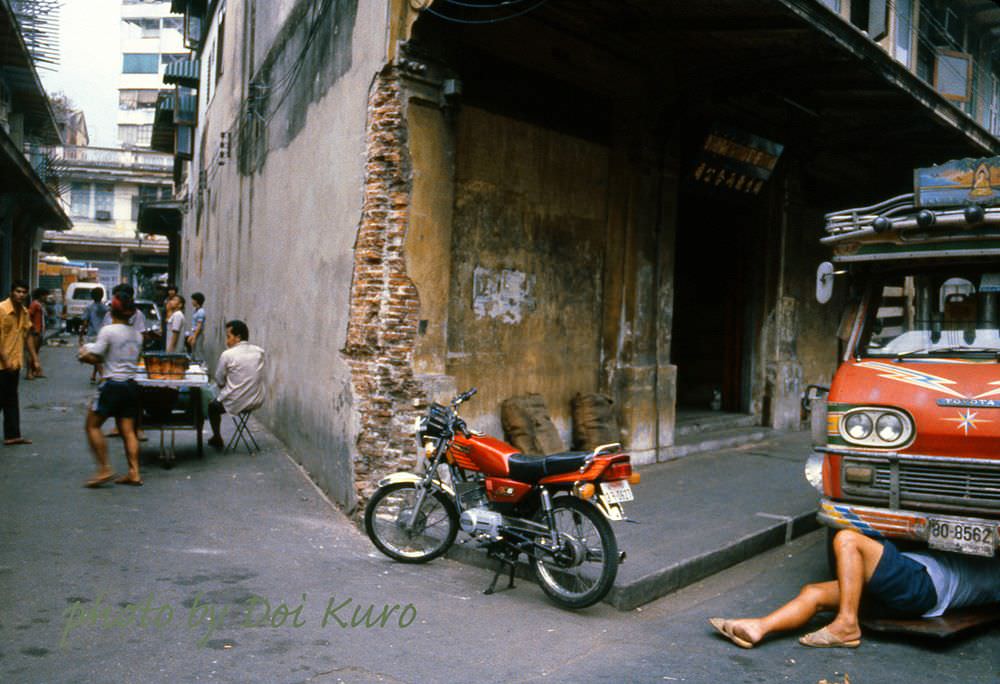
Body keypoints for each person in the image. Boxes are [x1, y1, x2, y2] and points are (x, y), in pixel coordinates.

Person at [710, 528, 1000, 649]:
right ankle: (760, 627)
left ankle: (847, 624)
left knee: (848, 539)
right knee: (815, 592)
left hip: (922, 583)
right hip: (914, 596)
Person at [78, 292, 144, 487]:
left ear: (111, 310)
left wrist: (83, 354)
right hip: (131, 385)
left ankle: (105, 467)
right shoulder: (138, 335)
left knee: (92, 425)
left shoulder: (108, 331)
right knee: (128, 431)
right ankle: (134, 472)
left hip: (112, 384)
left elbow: (96, 354)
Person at [207, 320, 265, 450]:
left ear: (238, 337)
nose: (227, 341)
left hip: (237, 401)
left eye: (228, 337)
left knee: (212, 406)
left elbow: (219, 379)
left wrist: (226, 385)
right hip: (256, 399)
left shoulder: (227, 354)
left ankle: (217, 437)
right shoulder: (259, 352)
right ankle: (216, 438)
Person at [0, 280, 37, 445]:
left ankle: (12, 435)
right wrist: (5, 359)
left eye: (24, 292)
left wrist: (35, 359)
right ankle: (12, 434)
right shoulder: (1, 310)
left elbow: (28, 335)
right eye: (18, 291)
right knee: (5, 398)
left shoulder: (24, 312)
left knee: (10, 399)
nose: (21, 295)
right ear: (11, 292)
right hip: (3, 364)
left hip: (15, 363)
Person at [81, 287, 107, 383]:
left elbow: (85, 323)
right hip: (104, 334)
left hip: (92, 334)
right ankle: (93, 375)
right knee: (98, 355)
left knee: (95, 356)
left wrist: (80, 335)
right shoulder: (106, 308)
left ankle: (102, 376)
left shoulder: (89, 308)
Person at [25, 288, 47, 379]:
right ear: (40, 296)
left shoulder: (40, 305)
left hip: (39, 331)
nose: (46, 297)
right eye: (45, 295)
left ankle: (35, 371)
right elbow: (29, 315)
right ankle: (29, 372)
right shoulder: (34, 304)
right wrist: (32, 328)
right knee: (31, 353)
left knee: (35, 352)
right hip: (35, 332)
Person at [185, 292, 206, 359]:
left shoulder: (201, 312)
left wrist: (194, 337)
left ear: (197, 301)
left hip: (198, 334)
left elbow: (199, 326)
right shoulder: (195, 310)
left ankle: (201, 366)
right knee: (193, 352)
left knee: (198, 352)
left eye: (193, 300)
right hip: (194, 333)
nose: (192, 302)